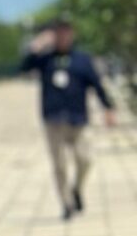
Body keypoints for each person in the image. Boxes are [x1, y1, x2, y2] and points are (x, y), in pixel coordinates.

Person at [19, 19, 116, 219]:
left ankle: (76, 189)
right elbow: (24, 67)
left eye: (65, 33)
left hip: (78, 118)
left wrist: (108, 107)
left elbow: (96, 84)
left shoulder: (82, 60)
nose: (62, 37)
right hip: (53, 120)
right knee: (60, 165)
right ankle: (66, 203)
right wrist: (36, 46)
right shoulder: (45, 59)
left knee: (85, 159)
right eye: (58, 33)